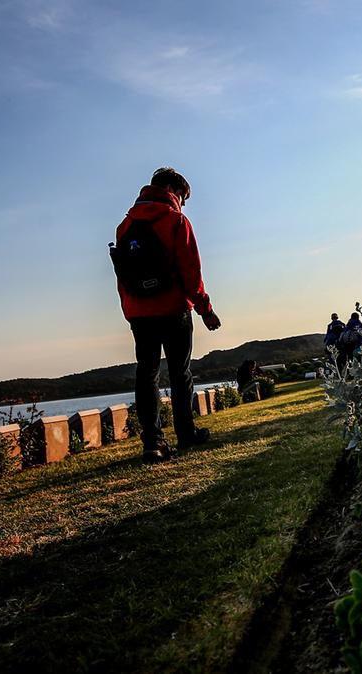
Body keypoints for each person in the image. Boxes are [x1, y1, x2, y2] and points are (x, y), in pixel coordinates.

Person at [113, 167, 221, 464]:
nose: (183, 204)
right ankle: (186, 433)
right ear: (174, 191)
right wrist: (205, 310)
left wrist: (131, 311)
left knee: (146, 374)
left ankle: (153, 443)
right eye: (183, 198)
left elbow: (123, 274)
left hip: (139, 313)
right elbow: (191, 272)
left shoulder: (124, 226)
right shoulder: (176, 221)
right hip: (174, 308)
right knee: (179, 372)